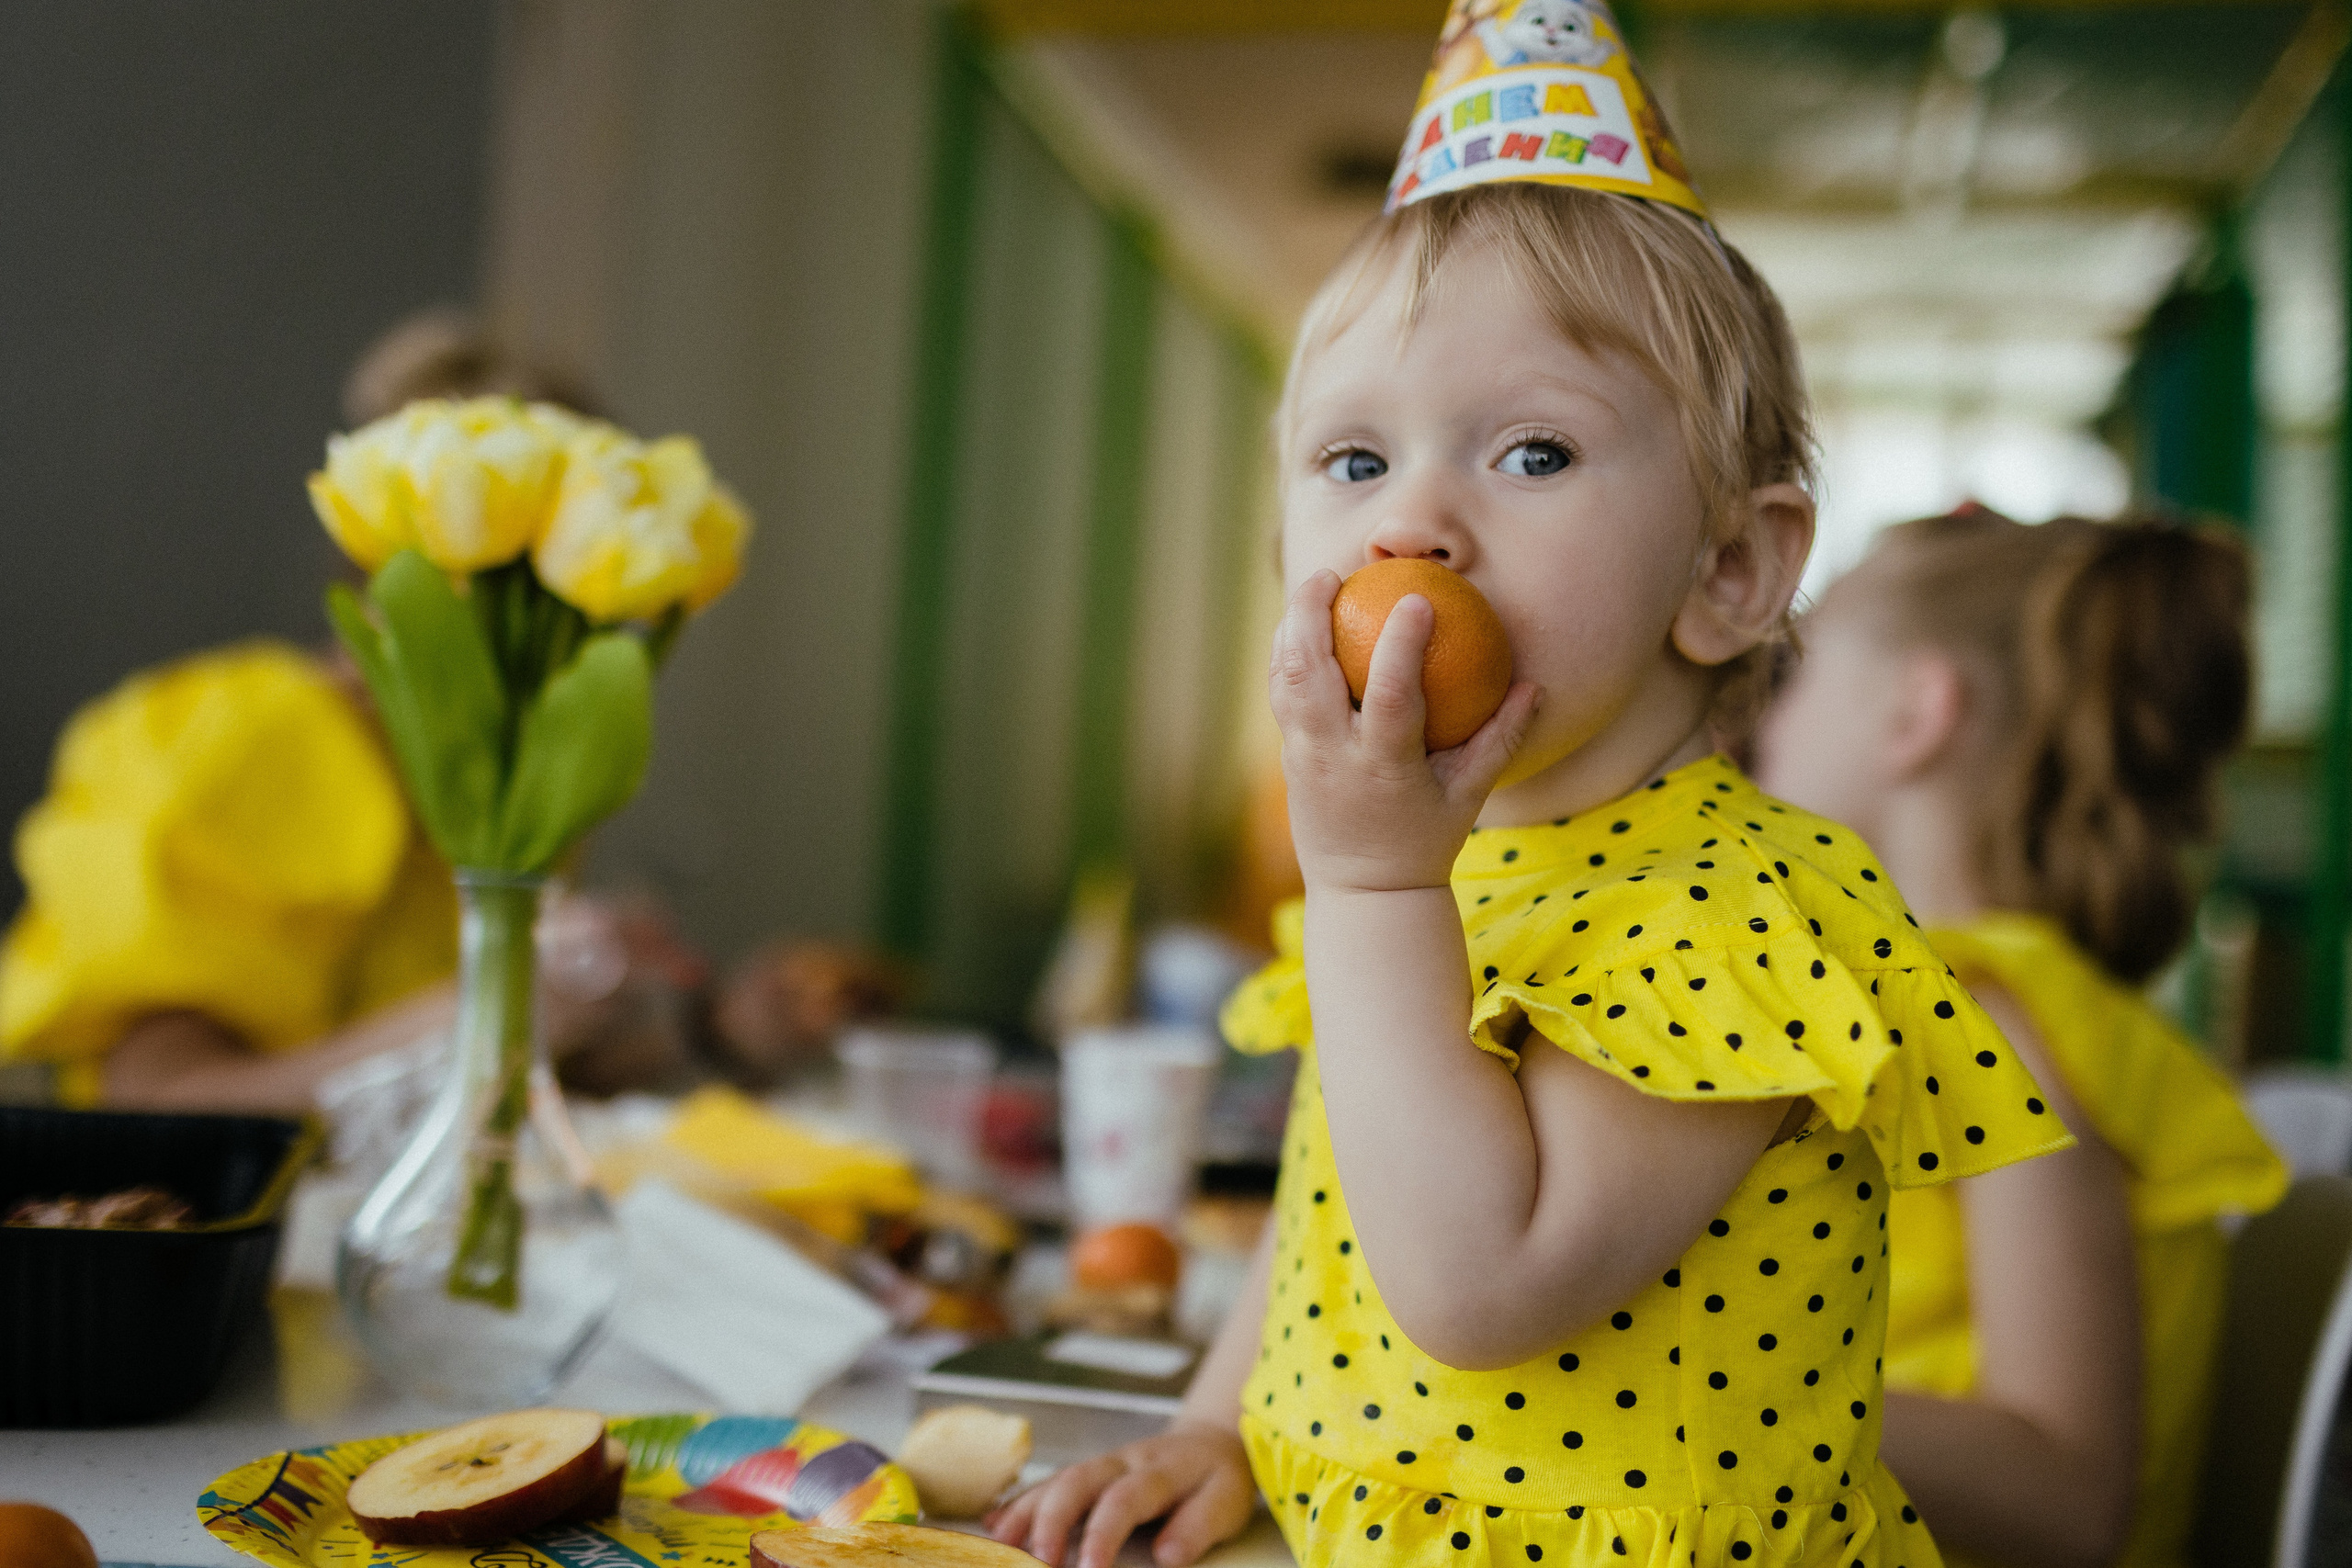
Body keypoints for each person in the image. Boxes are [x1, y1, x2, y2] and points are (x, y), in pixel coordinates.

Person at [989, 7, 2072, 1564]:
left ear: (1729, 569)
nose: (1409, 524)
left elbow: (1479, 1281)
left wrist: (1368, 887)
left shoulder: (1742, 918)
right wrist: (1220, 1421)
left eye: (1534, 454)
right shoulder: (1459, 870)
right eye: (1353, 463)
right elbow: (1335, 1210)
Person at [1751, 506, 2288, 1568]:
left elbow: (2066, 1492)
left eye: (1799, 672)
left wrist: (1718, 1404)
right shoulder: (1944, 999)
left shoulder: (1995, 1025)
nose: (1762, 715)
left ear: (1916, 711)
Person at [0, 310, 698, 1113]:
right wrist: (496, 1005)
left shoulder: (502, 774)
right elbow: (157, 1105)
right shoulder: (243, 738)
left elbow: (488, 1093)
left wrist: (711, 1026)